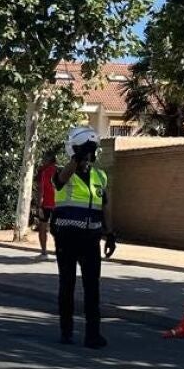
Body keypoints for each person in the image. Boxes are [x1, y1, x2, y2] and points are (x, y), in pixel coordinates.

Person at [48, 126, 116, 348]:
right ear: (75, 150)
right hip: (66, 238)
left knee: (92, 288)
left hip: (91, 239)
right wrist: (76, 159)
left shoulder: (100, 176)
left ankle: (93, 335)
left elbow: (105, 206)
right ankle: (66, 331)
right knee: (67, 284)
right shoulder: (63, 173)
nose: (89, 156)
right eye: (86, 151)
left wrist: (110, 234)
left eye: (91, 151)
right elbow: (60, 181)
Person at [34, 150, 59, 258]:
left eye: (44, 159)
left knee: (42, 227)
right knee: (58, 229)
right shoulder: (60, 170)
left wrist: (39, 205)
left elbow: (41, 189)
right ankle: (60, 251)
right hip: (60, 204)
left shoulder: (44, 171)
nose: (43, 161)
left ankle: (44, 252)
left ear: (49, 160)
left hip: (46, 204)